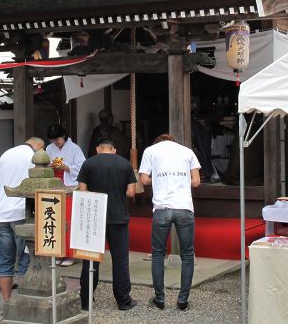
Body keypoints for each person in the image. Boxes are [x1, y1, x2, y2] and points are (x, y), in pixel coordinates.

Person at [139, 134, 201, 311]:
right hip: (184, 207)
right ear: (173, 142)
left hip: (162, 208)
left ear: (158, 142)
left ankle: (160, 299)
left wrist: (160, 180)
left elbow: (143, 180)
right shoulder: (187, 152)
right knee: (187, 254)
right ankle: (183, 300)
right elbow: (196, 182)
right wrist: (179, 180)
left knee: (158, 254)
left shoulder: (150, 151)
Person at [77, 138, 138, 312]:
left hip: (94, 217)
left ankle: (86, 300)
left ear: (97, 149)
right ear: (114, 150)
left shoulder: (88, 164)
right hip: (118, 216)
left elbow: (83, 190)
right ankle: (123, 300)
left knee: (90, 260)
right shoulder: (125, 164)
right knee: (120, 261)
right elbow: (131, 192)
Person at [0, 137, 45, 302]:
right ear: (40, 147)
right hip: (22, 212)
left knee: (4, 260)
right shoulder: (33, 157)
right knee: (25, 258)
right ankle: (24, 301)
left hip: (0, 212)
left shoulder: (6, 154)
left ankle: (7, 302)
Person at [46, 125, 86, 267]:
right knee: (55, 218)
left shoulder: (75, 148)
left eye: (57, 139)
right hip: (55, 184)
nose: (55, 142)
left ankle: (70, 254)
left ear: (64, 135)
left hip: (70, 185)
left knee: (69, 220)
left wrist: (67, 167)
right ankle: (59, 253)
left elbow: (82, 167)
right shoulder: (49, 148)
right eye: (53, 140)